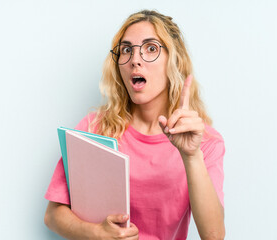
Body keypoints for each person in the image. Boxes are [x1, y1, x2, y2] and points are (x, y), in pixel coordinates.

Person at [44, 10, 225, 240]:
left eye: (151, 48)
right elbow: (53, 215)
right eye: (126, 50)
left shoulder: (205, 143)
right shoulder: (93, 128)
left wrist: (191, 157)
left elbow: (214, 236)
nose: (135, 60)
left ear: (174, 60)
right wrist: (97, 234)